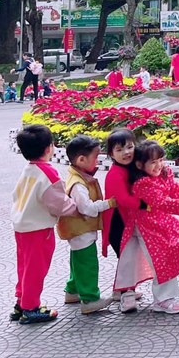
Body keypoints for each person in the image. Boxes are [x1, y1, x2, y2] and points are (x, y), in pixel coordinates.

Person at [10, 124, 78, 324]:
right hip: (38, 229)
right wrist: (75, 207)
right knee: (35, 269)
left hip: (22, 226)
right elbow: (58, 203)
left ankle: (21, 302)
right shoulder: (48, 173)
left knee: (25, 266)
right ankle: (30, 308)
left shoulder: (28, 169)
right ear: (49, 148)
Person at [129, 140, 179, 313]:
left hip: (163, 219)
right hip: (148, 225)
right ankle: (163, 299)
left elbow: (175, 189)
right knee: (162, 257)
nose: (158, 165)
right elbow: (160, 202)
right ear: (140, 164)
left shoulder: (164, 173)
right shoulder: (142, 183)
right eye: (153, 162)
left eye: (161, 160)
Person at [58, 135, 115, 315]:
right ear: (82, 160)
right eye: (95, 157)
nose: (97, 161)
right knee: (87, 264)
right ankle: (90, 299)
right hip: (81, 230)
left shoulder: (77, 176)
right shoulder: (78, 184)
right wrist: (108, 203)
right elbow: (87, 208)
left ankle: (73, 291)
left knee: (78, 262)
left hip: (78, 230)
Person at [102, 128, 151, 311]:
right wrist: (144, 204)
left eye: (129, 147)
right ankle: (126, 295)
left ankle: (121, 290)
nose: (126, 152)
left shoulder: (129, 168)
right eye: (119, 149)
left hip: (126, 220)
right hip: (118, 223)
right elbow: (123, 199)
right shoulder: (115, 173)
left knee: (127, 257)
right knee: (126, 258)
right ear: (111, 154)